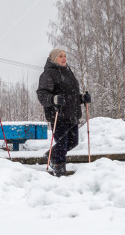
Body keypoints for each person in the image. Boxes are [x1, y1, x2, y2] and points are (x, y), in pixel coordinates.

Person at [36, 48, 91, 177]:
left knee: (73, 142)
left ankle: (50, 156)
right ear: (54, 58)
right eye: (60, 56)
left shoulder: (68, 72)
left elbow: (71, 95)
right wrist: (53, 99)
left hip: (72, 114)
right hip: (58, 114)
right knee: (62, 143)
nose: (64, 58)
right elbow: (42, 94)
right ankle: (59, 169)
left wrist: (82, 98)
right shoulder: (48, 74)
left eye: (65, 56)